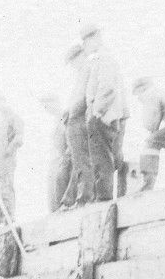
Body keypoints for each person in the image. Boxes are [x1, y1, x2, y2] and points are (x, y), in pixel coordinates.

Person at [80, 23, 128, 200]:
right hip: (104, 115)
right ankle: (104, 196)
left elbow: (107, 88)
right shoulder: (102, 59)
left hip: (102, 116)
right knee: (103, 159)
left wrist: (96, 112)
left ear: (95, 39)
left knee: (102, 160)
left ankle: (103, 198)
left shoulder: (104, 59)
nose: (86, 47)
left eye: (87, 42)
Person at [0, 90, 24, 227]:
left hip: (6, 159)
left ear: (4, 101)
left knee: (5, 188)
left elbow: (19, 138)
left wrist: (8, 151)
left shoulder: (13, 117)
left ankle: (9, 218)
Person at [62, 43, 91, 205]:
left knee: (81, 161)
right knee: (78, 161)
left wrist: (71, 113)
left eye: (73, 61)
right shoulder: (81, 74)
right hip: (77, 119)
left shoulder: (86, 71)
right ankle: (73, 198)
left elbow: (83, 99)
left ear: (80, 56)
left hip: (79, 120)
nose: (73, 66)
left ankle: (84, 197)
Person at [39, 93, 71, 212]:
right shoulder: (54, 121)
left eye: (48, 105)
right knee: (51, 195)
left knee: (59, 187)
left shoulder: (64, 117)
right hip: (54, 159)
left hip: (62, 158)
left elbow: (69, 139)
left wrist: (66, 155)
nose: (47, 109)